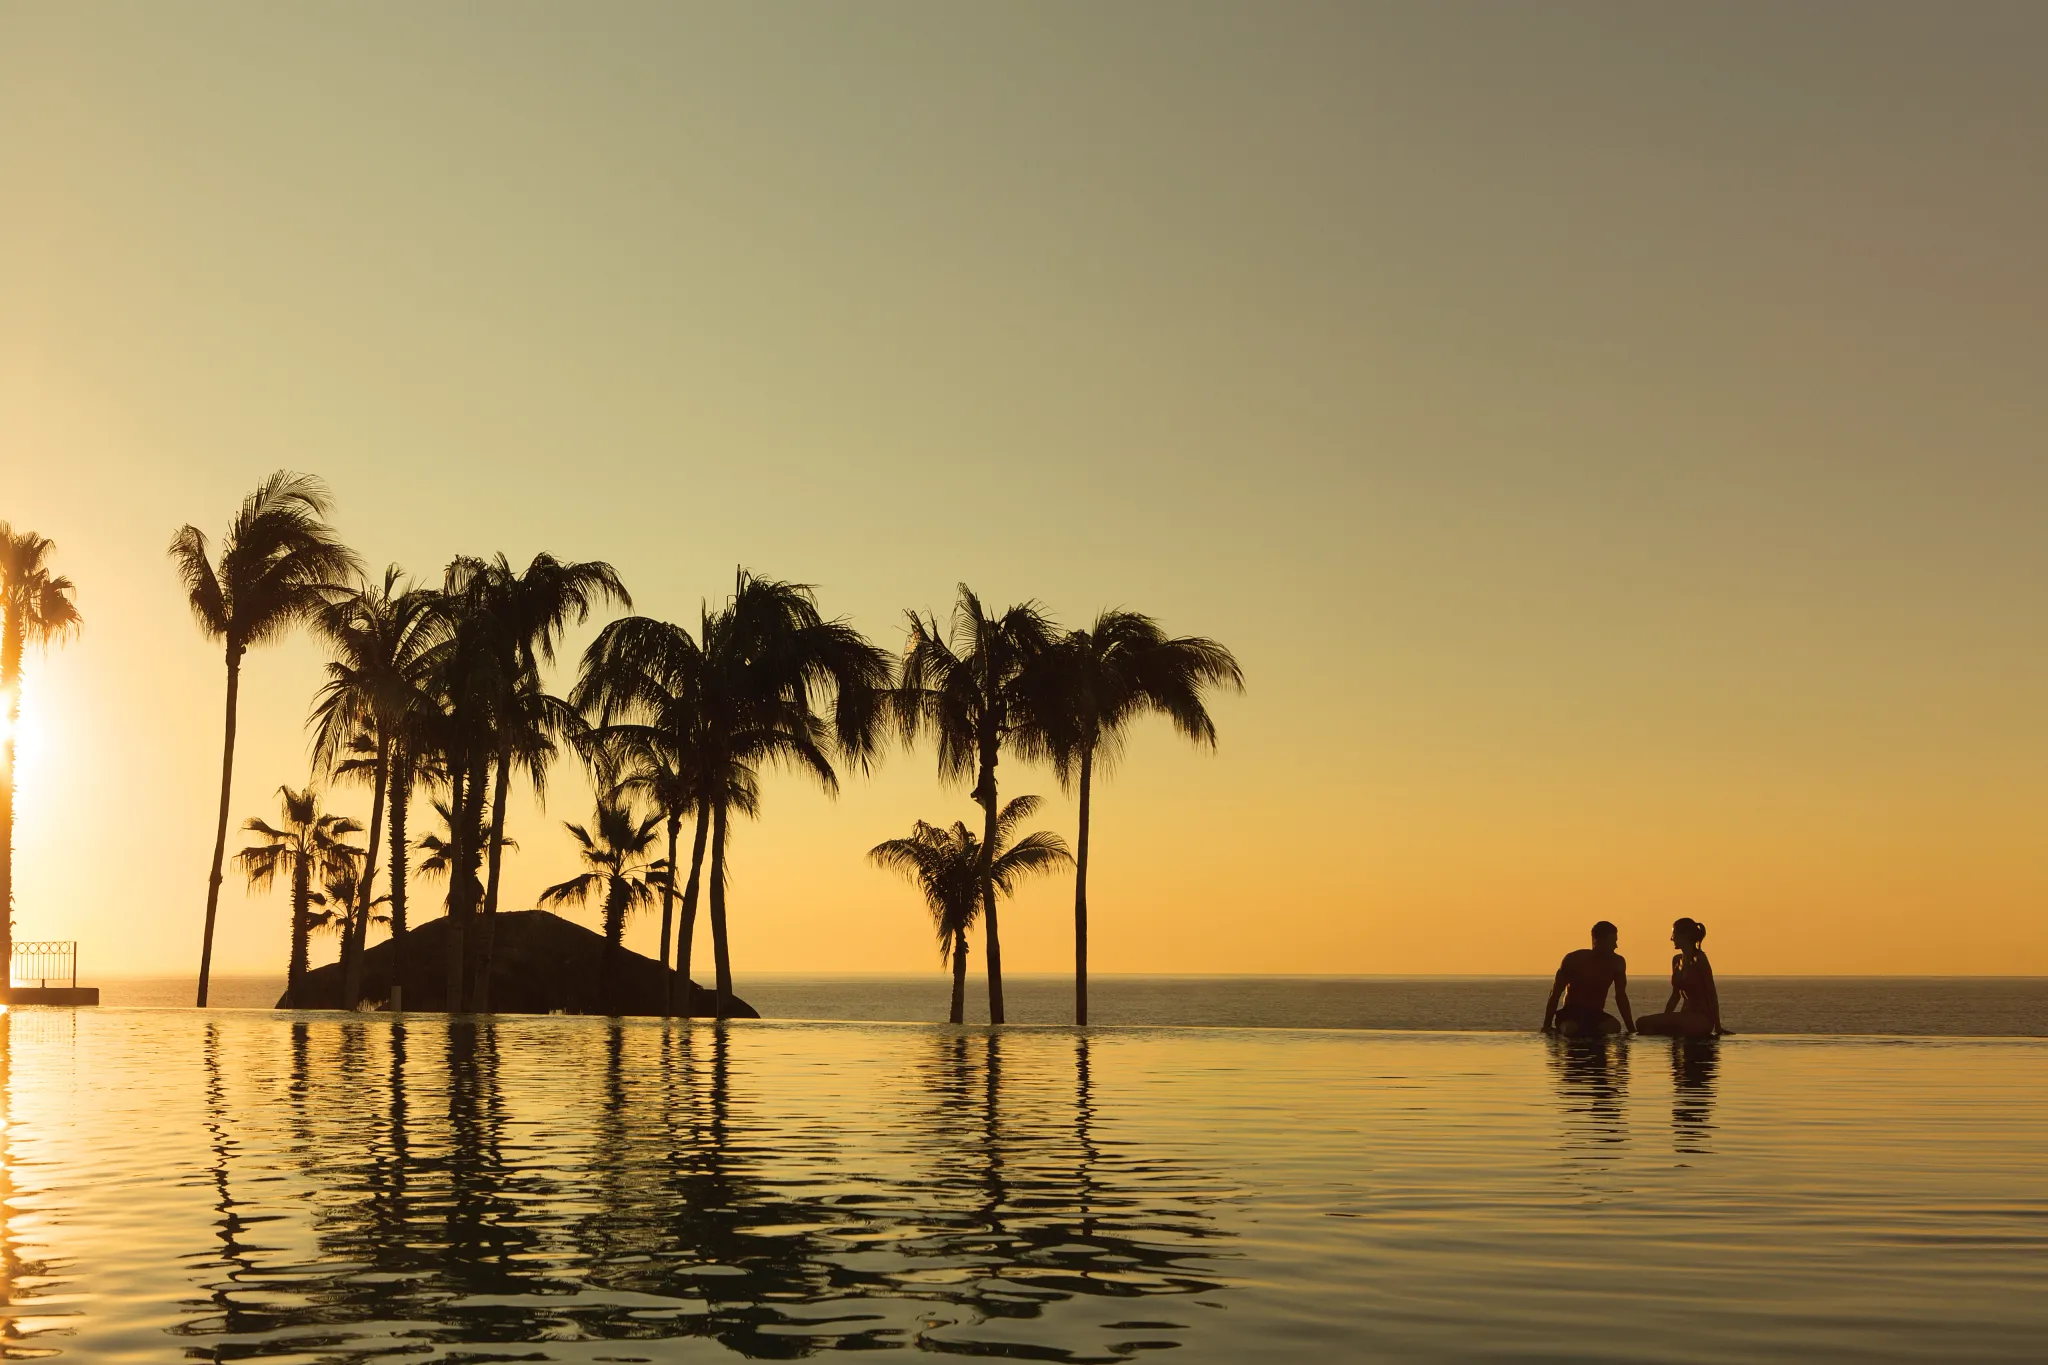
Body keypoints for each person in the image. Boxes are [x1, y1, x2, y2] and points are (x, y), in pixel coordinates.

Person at [1541, 921, 1634, 1036]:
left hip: (1595, 1014)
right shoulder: (1574, 960)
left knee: (1614, 1026)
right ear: (1597, 941)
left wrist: (1632, 1030)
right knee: (1570, 1029)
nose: (1616, 946)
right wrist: (1546, 1025)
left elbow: (1621, 997)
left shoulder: (1617, 963)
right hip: (1571, 1013)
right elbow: (1555, 994)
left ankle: (1592, 1036)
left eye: (1616, 941)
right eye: (1612, 942)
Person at [1634, 918, 1723, 1037]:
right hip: (1685, 1016)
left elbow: (1711, 993)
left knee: (1649, 1024)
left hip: (1701, 1018)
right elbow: (1675, 996)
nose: (1672, 938)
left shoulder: (1699, 959)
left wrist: (1718, 1026)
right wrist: (1665, 1017)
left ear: (1684, 936)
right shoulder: (1676, 960)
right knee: (1642, 1023)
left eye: (1674, 933)